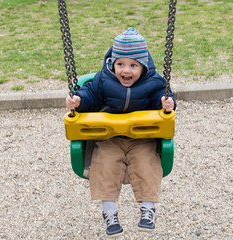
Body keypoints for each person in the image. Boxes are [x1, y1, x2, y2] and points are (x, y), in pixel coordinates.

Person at [65, 27, 176, 238]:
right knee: (104, 165)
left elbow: (161, 100)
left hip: (142, 138)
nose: (126, 70)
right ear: (112, 63)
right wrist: (78, 101)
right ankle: (110, 213)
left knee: (147, 165)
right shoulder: (103, 79)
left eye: (133, 65)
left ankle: (148, 210)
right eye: (120, 64)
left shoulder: (154, 82)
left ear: (143, 66)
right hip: (109, 137)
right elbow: (89, 94)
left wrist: (167, 103)